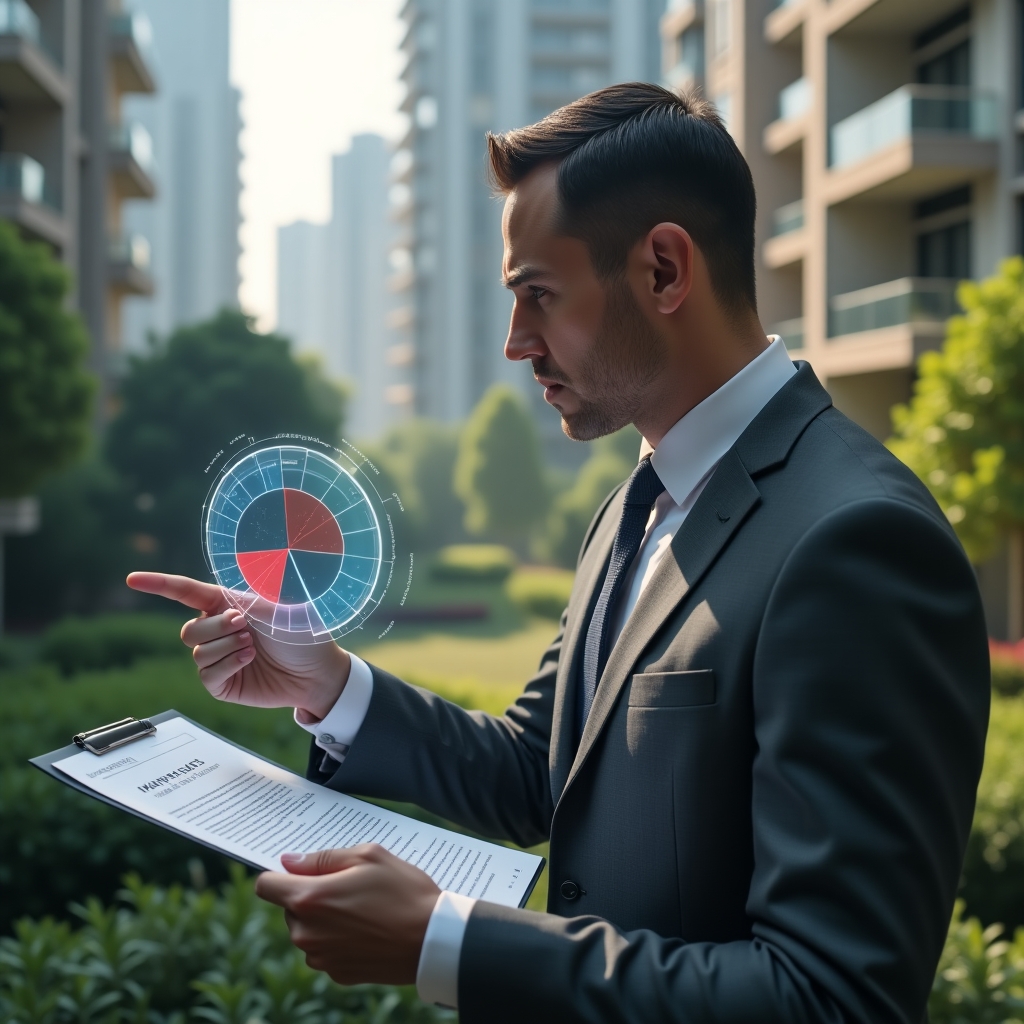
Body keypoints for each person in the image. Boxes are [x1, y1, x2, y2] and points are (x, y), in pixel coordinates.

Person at [128, 83, 990, 1023]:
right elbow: (543, 772)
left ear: (664, 270)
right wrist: (327, 685)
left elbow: (833, 998)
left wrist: (448, 944)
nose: (514, 343)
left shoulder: (857, 542)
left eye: (537, 294)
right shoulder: (636, 504)